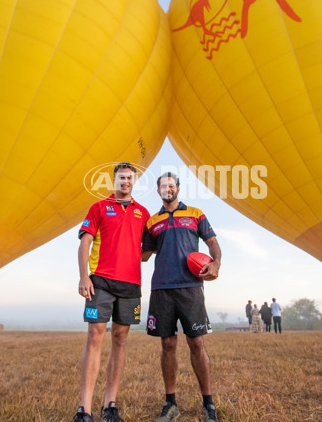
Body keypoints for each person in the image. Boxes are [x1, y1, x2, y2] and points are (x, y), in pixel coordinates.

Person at [73, 162, 150, 422]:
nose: (125, 182)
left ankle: (110, 405)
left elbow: (148, 250)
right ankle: (85, 409)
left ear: (134, 181)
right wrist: (84, 276)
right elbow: (85, 244)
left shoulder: (144, 213)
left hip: (130, 284)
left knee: (120, 339)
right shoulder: (99, 207)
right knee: (95, 337)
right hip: (101, 281)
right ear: (114, 180)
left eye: (129, 178)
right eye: (121, 178)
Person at [142, 172, 221, 422]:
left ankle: (208, 405)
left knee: (196, 344)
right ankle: (170, 403)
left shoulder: (196, 214)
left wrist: (216, 263)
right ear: (159, 191)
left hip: (190, 287)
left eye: (171, 185)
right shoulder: (152, 222)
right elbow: (144, 255)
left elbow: (213, 244)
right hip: (162, 288)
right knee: (167, 346)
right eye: (163, 186)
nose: (168, 189)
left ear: (177, 188)